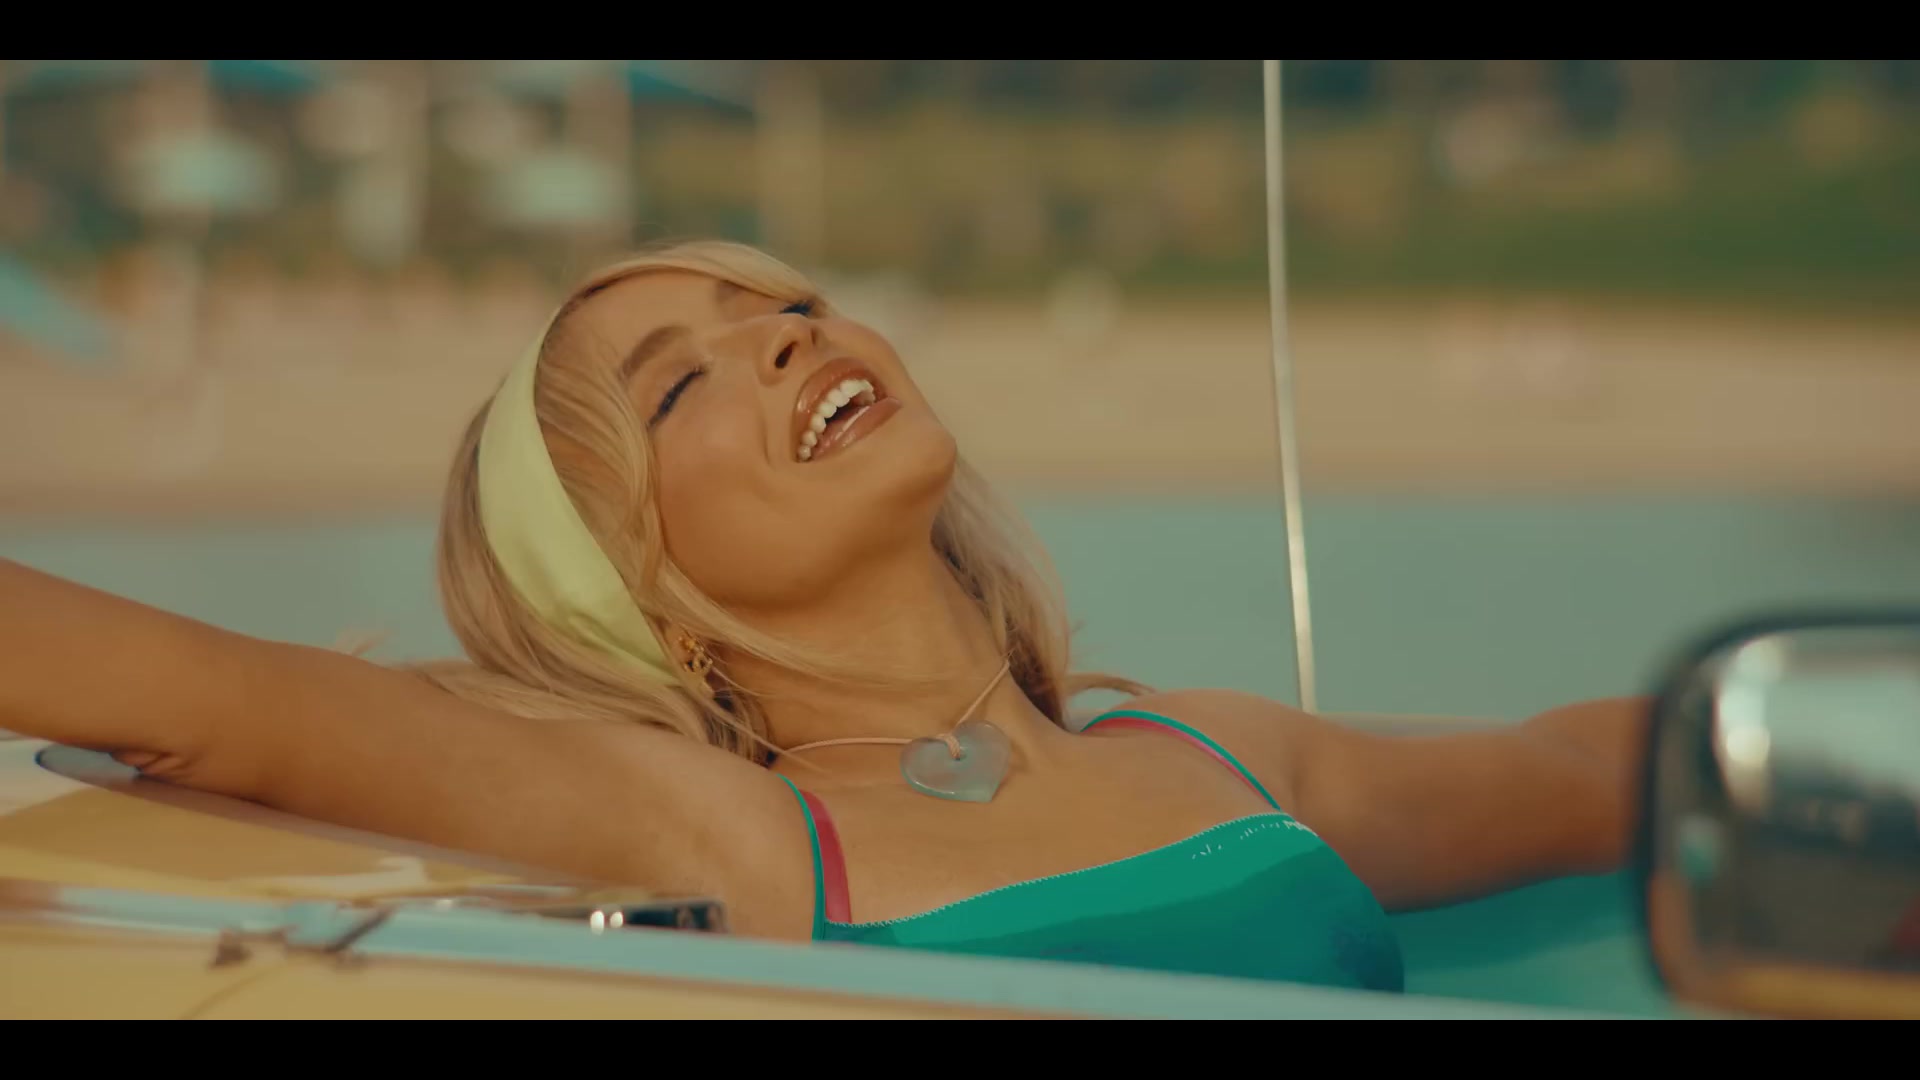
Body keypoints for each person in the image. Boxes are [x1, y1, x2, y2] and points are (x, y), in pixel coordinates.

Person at [0, 240, 1647, 992]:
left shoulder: (1226, 753)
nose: (788, 337)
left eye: (783, 303)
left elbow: (1599, 775)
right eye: (679, 386)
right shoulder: (725, 836)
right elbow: (196, 696)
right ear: (630, 587)